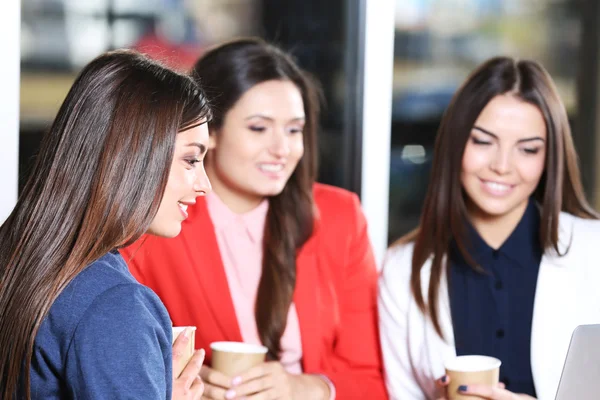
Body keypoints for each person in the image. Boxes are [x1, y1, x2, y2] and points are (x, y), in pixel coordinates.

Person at [121, 38, 387, 400]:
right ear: (208, 132)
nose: (282, 149)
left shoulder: (341, 218)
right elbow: (128, 365)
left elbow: (372, 379)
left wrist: (306, 389)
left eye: (294, 130)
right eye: (259, 128)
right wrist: (192, 386)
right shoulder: (157, 223)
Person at [378, 56, 600, 400]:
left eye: (527, 149)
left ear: (549, 158)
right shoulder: (401, 270)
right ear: (455, 143)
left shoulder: (593, 249)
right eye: (483, 141)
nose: (501, 166)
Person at [0, 49, 213, 399]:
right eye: (191, 159)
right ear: (131, 154)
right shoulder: (115, 305)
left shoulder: (18, 254)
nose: (203, 184)